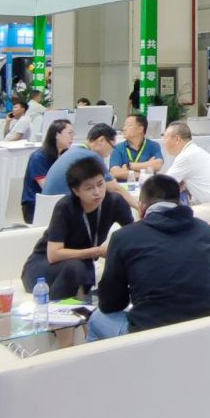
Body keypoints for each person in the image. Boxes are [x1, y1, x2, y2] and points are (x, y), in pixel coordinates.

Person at [88, 173, 210, 341]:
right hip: (209, 328)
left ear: (141, 207)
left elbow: (111, 303)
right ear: (179, 202)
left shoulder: (124, 237)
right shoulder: (204, 230)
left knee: (96, 319)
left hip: (152, 336)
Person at [20, 155, 133, 300]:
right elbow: (54, 254)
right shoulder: (65, 207)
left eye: (100, 184)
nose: (97, 192)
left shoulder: (115, 202)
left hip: (81, 265)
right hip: (42, 268)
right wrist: (97, 251)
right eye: (89, 188)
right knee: (77, 267)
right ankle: (59, 309)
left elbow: (133, 235)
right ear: (76, 191)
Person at [41, 122, 119, 196]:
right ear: (101, 140)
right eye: (113, 146)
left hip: (47, 202)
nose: (112, 151)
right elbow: (115, 189)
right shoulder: (91, 156)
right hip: (62, 203)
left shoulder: (74, 151)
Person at [20, 119, 73, 221]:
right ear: (57, 135)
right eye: (69, 133)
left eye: (73, 134)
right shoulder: (38, 157)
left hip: (58, 202)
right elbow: (47, 187)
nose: (72, 137)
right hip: (35, 205)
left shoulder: (66, 155)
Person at [109, 112, 163, 181]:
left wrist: (129, 166)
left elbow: (157, 165)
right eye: (124, 125)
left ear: (140, 129)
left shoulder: (153, 145)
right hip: (124, 186)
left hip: (147, 186)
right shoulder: (118, 147)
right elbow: (115, 172)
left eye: (129, 125)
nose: (124, 128)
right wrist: (143, 174)